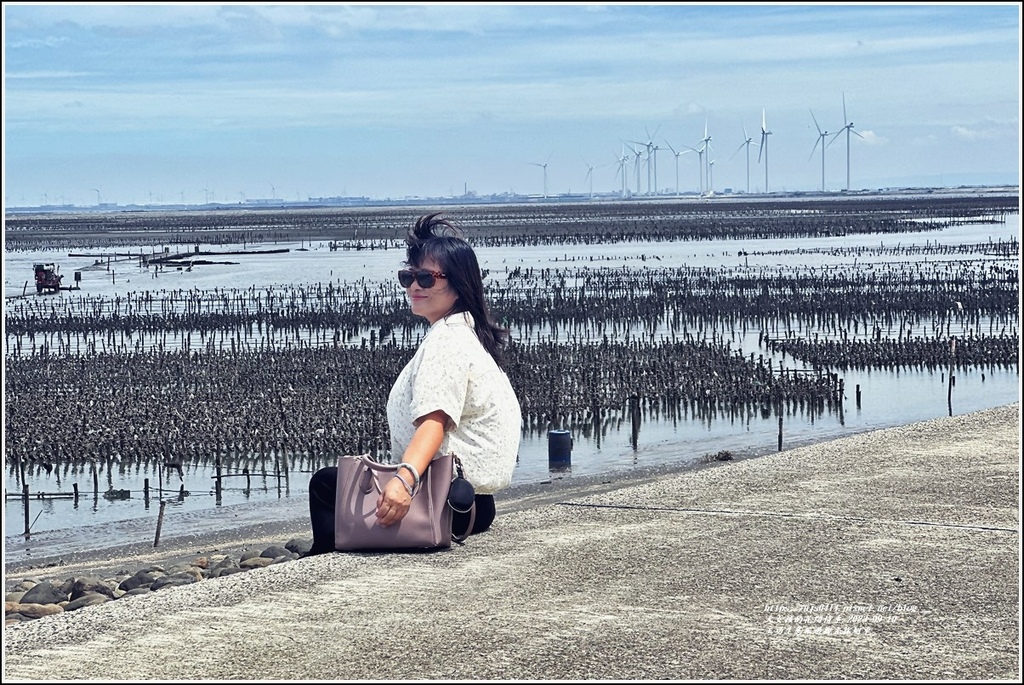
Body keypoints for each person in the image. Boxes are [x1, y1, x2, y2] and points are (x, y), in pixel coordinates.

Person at [306, 212, 522, 555]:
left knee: (326, 484)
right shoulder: (467, 334)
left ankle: (324, 562)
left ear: (459, 283)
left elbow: (434, 421)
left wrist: (402, 483)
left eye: (427, 277)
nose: (415, 287)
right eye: (408, 277)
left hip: (442, 503)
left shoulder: (447, 341)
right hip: (471, 504)